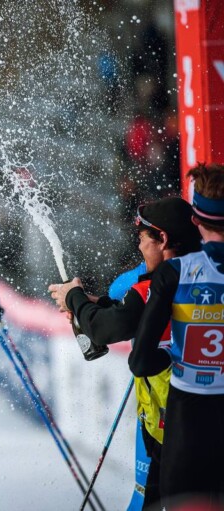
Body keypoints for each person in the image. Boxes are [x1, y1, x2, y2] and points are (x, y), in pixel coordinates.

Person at [48, 197, 201, 510]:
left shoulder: (157, 285)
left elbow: (108, 328)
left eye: (144, 239)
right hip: (197, 421)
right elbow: (127, 314)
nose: (141, 247)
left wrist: (76, 298)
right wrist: (90, 304)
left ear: (164, 240)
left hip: (172, 427)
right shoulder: (203, 274)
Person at [129, 164, 224, 508]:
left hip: (189, 421)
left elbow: (140, 361)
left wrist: (171, 354)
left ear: (197, 221)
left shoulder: (176, 272)